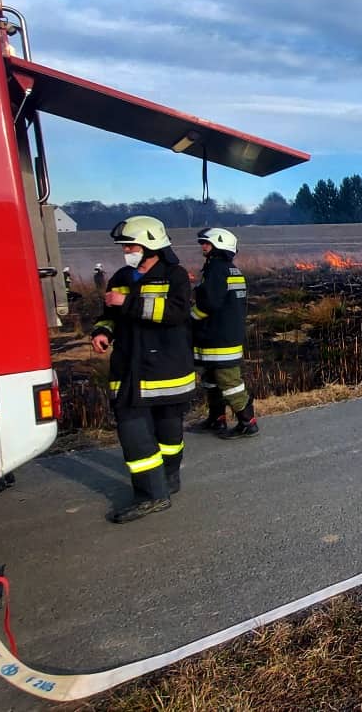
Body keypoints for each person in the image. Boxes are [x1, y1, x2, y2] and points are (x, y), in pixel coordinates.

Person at [92, 215, 197, 523]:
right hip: (130, 370)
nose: (127, 251)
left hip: (167, 369)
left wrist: (127, 302)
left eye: (131, 246)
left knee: (169, 433)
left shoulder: (174, 276)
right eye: (125, 247)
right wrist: (102, 331)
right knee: (133, 432)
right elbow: (109, 314)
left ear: (151, 245)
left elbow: (177, 312)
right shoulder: (121, 277)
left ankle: (166, 481)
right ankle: (153, 493)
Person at [189, 227, 259, 439]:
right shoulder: (230, 269)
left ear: (219, 245)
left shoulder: (216, 270)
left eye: (207, 243)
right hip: (221, 334)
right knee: (211, 378)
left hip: (218, 337)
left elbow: (209, 303)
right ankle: (216, 418)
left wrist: (189, 317)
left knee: (228, 381)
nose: (203, 247)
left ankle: (247, 422)